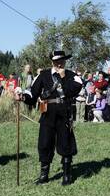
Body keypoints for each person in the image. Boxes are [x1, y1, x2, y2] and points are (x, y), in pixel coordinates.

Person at [16, 50, 83, 186]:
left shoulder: (72, 76)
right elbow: (33, 94)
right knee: (45, 143)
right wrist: (22, 97)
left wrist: (63, 78)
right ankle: (44, 175)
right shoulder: (43, 75)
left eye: (61, 60)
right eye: (56, 61)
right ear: (52, 62)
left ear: (65, 61)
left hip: (64, 113)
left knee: (65, 143)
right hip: (47, 114)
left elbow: (74, 90)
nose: (59, 63)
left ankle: (66, 174)